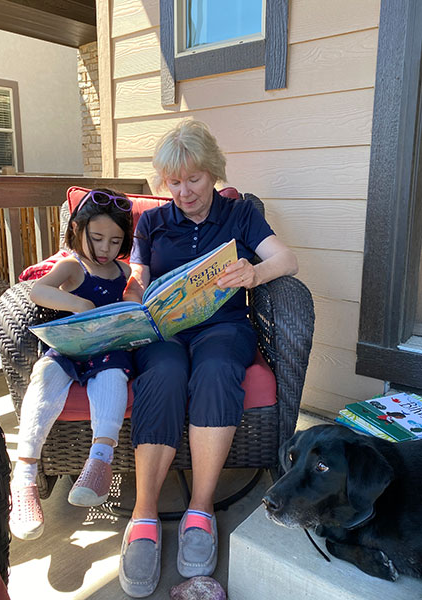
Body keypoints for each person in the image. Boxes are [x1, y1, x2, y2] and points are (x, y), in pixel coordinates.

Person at [119, 120, 298, 597]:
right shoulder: (152, 222)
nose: (184, 191)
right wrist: (133, 294)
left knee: (218, 370)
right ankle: (143, 512)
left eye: (193, 179)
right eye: (173, 182)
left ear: (213, 172)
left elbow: (287, 260)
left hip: (224, 328)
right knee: (164, 373)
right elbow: (137, 276)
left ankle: (201, 508)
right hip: (167, 330)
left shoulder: (239, 215)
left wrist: (252, 273)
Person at [9, 189, 135, 541]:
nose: (105, 248)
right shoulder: (71, 265)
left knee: (112, 376)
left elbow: (137, 298)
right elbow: (38, 291)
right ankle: (25, 477)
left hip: (110, 350)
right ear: (77, 230)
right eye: (96, 238)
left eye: (115, 240)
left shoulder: (124, 270)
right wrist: (76, 302)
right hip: (70, 349)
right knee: (45, 374)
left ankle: (99, 463)